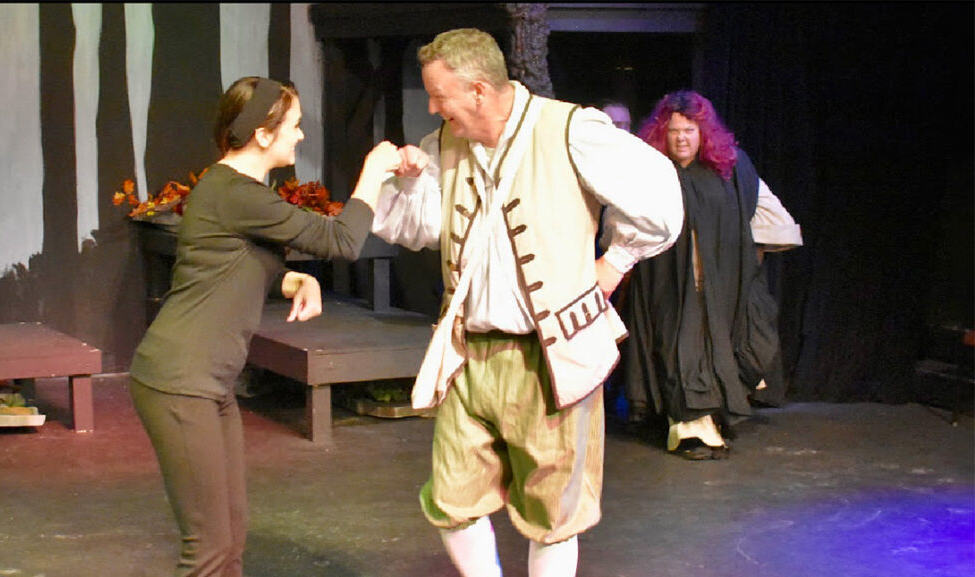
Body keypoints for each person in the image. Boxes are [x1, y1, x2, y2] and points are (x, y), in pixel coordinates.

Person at [371, 29, 683, 577]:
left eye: (439, 95)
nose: (432, 106)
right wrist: (409, 183)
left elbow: (659, 198)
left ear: (477, 91)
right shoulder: (443, 144)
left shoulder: (570, 131)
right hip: (471, 355)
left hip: (551, 357)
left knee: (554, 509)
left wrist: (615, 262)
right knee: (451, 498)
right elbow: (416, 228)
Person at [128, 76, 401, 577]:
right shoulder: (238, 194)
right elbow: (342, 241)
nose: (299, 135)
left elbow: (228, 263)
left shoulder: (231, 190)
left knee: (229, 536)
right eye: (294, 126)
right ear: (261, 134)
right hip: (180, 382)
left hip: (207, 382)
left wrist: (293, 279)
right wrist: (374, 173)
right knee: (208, 550)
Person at [622, 89, 803, 460]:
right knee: (677, 353)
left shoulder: (729, 171)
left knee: (716, 349)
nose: (682, 138)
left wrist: (746, 260)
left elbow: (770, 217)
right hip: (667, 286)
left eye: (689, 129)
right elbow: (623, 221)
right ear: (662, 133)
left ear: (702, 132)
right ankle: (689, 428)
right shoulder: (652, 173)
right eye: (674, 130)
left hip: (715, 287)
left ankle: (707, 421)